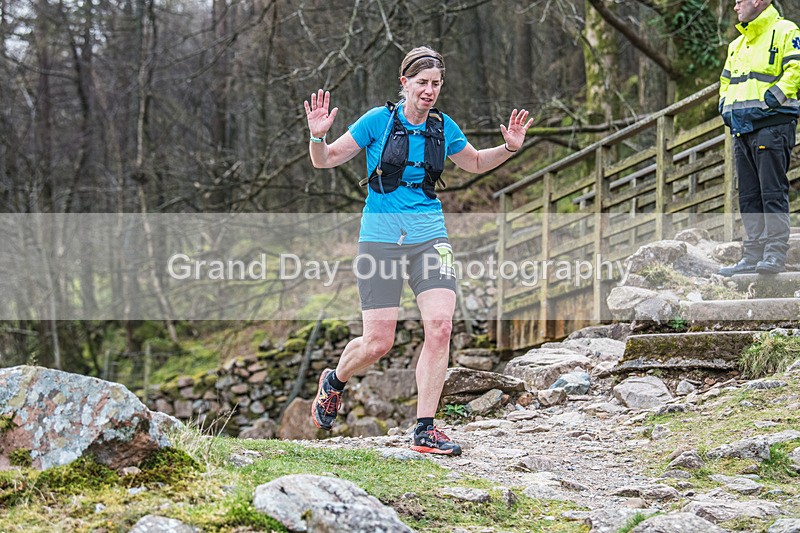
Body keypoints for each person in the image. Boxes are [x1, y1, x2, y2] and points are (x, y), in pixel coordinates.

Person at [303, 46, 533, 455]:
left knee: (441, 326)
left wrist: (511, 148)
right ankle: (334, 381)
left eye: (436, 84)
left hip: (431, 235)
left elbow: (476, 162)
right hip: (381, 238)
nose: (429, 91)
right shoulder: (377, 121)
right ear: (404, 83)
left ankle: (425, 429)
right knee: (378, 342)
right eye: (422, 83)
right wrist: (318, 135)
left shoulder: (443, 128)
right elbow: (326, 160)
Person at [719, 0, 800, 276]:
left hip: (773, 126)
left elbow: (796, 70)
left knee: (772, 191)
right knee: (749, 196)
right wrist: (725, 108)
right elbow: (725, 83)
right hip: (742, 129)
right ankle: (752, 255)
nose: (734, 6)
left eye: (739, 0)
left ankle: (775, 253)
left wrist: (771, 100)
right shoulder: (737, 45)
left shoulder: (786, 31)